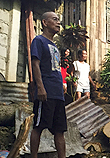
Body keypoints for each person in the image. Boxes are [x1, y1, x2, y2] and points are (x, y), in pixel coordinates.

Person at [30, 11, 67, 158]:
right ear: (45, 23)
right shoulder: (39, 41)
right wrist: (40, 87)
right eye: (55, 19)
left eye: (59, 20)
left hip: (58, 94)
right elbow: (35, 64)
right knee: (38, 126)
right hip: (46, 92)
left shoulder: (55, 46)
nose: (58, 22)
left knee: (60, 130)